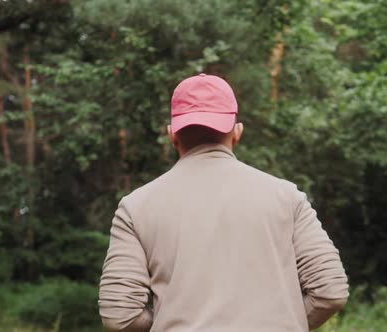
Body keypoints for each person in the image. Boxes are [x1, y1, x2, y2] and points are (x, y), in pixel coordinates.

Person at [99, 73, 349, 332]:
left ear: (172, 135)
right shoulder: (287, 197)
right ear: (237, 132)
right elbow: (330, 291)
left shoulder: (136, 207)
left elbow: (120, 316)